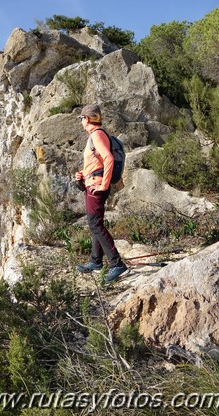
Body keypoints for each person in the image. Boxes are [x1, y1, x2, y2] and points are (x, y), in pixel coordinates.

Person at [74, 104, 128, 283]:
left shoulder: (97, 134)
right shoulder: (95, 135)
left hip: (96, 186)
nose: (81, 121)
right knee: (95, 224)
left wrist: (104, 185)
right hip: (92, 183)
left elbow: (109, 158)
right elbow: (97, 162)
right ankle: (95, 261)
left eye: (82, 118)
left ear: (87, 119)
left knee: (95, 225)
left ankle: (116, 264)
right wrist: (82, 175)